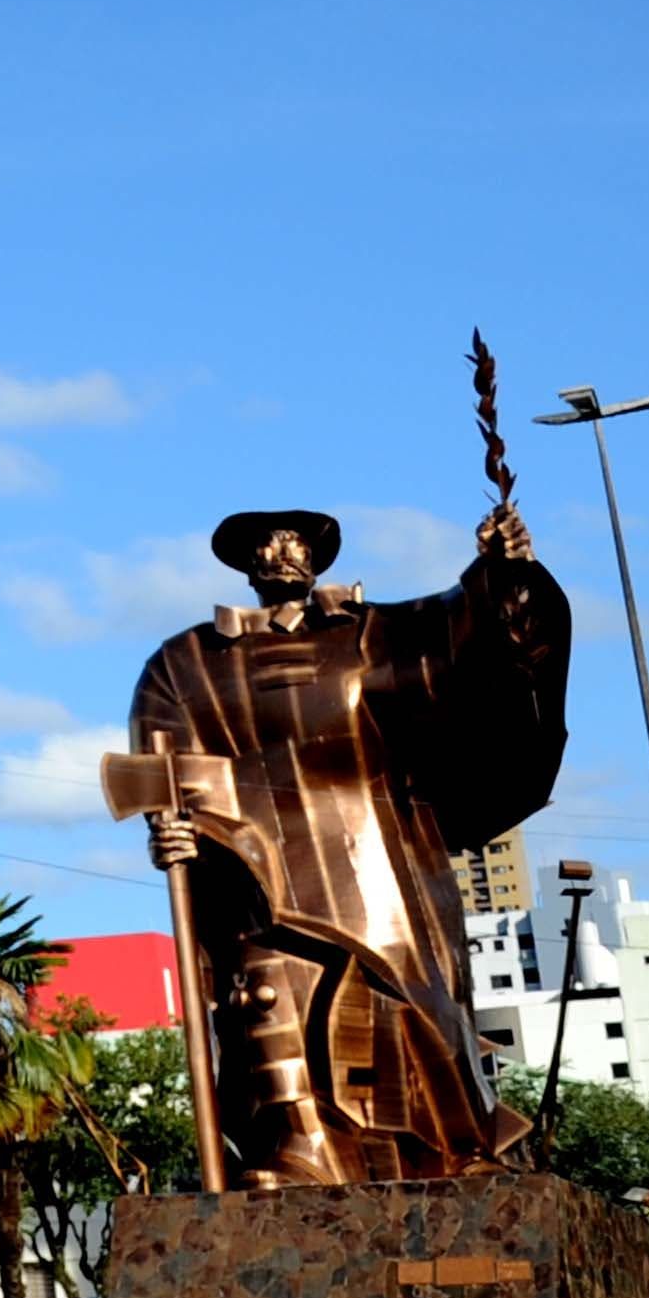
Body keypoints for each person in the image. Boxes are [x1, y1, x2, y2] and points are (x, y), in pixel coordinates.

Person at [130, 504, 569, 1185]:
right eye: (265, 543)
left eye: (295, 540)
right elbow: (161, 766)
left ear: (319, 556)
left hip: (377, 859)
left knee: (415, 1006)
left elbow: (474, 639)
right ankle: (301, 1141)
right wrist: (177, 827)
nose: (281, 551)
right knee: (268, 994)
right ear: (245, 564)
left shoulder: (378, 633)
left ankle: (451, 1146)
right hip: (258, 859)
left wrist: (503, 571)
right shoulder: (188, 662)